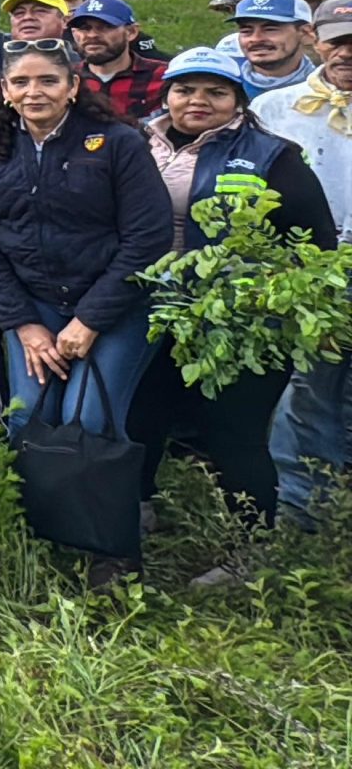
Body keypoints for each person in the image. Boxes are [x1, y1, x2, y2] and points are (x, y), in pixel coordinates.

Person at [0, 38, 171, 585]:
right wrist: (23, 324)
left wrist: (91, 319)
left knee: (91, 419)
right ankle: (41, 528)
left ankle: (112, 548)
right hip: (32, 304)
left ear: (73, 87)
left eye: (48, 80)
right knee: (28, 416)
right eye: (21, 82)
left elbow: (148, 238)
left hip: (115, 304)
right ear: (5, 91)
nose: (34, 92)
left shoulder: (119, 143)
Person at [134, 48, 339, 542]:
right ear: (166, 95)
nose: (198, 100)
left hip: (242, 320)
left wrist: (273, 298)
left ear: (238, 101)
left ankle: (250, 546)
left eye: (216, 92)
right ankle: (133, 518)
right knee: (139, 420)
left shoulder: (273, 154)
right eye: (185, 90)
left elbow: (315, 244)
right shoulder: (134, 142)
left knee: (234, 434)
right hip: (145, 310)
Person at [258, 0, 352, 518]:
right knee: (310, 386)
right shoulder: (276, 108)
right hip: (309, 269)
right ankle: (306, 508)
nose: (346, 53)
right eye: (337, 42)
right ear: (316, 42)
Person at [70, 0, 165, 119]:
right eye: (84, 28)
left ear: (131, 32)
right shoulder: (66, 79)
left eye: (105, 27)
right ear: (73, 33)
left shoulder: (163, 77)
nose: (92, 35)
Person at [228, 0, 317, 93]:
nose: (256, 38)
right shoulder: (224, 82)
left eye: (270, 29)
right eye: (246, 31)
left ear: (305, 33)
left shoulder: (326, 86)